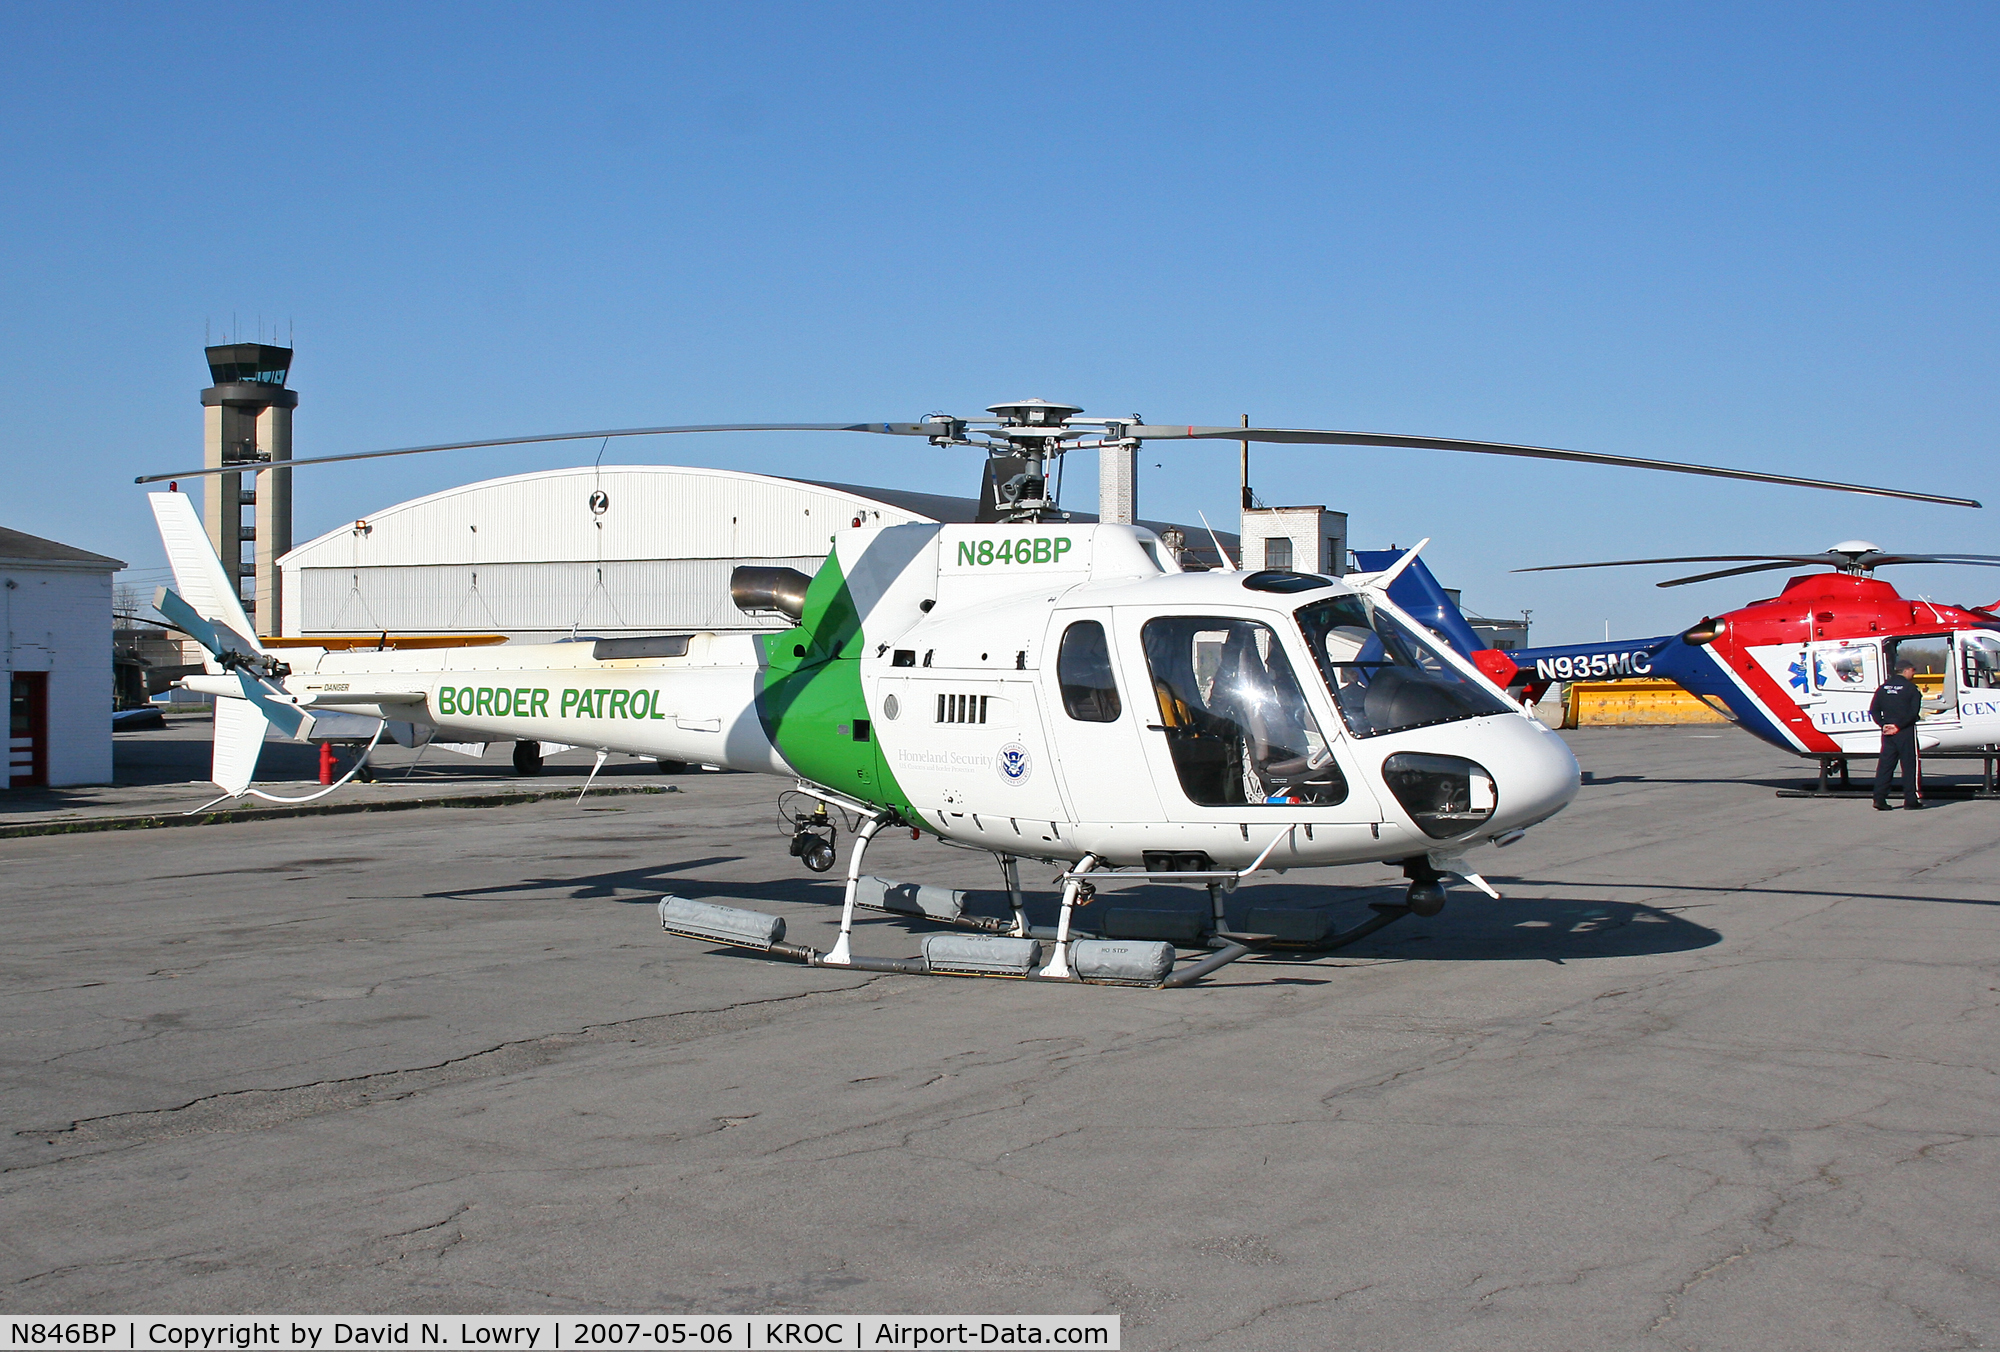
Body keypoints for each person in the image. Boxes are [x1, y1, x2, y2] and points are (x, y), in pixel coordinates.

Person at [1871, 658, 1925, 810]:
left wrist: (1884, 724)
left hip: (1888, 732)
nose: (1913, 674)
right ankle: (1911, 800)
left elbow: (1874, 710)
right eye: (1913, 670)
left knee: (1885, 766)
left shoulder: (1883, 688)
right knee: (1909, 766)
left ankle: (1879, 799)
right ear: (1906, 670)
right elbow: (1913, 713)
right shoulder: (1910, 688)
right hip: (1905, 731)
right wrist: (1898, 726)